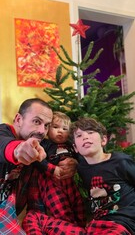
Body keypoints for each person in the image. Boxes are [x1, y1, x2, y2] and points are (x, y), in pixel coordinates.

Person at [0, 98, 78, 234]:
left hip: (10, 211)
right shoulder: (4, 133)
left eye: (47, 125)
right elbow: (5, 145)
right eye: (36, 122)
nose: (42, 131)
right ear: (18, 120)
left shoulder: (42, 148)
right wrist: (18, 149)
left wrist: (73, 163)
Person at [22, 111, 87, 234]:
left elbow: (82, 159)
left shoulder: (71, 145)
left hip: (69, 182)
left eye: (64, 128)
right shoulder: (45, 144)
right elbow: (38, 160)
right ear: (47, 129)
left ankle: (80, 228)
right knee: (60, 205)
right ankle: (68, 227)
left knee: (78, 204)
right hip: (51, 181)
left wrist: (76, 163)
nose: (60, 131)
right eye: (55, 127)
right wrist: (52, 169)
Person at [69, 117, 135, 235]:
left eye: (90, 132)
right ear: (75, 148)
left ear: (103, 140)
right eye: (79, 135)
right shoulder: (80, 169)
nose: (85, 137)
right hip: (98, 224)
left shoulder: (120, 161)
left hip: (124, 222)